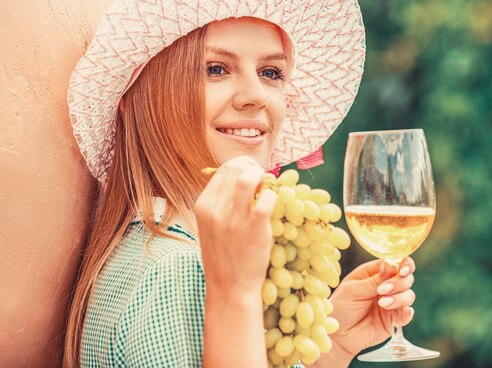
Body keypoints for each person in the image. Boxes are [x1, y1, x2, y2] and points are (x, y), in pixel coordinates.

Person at [64, 1, 417, 367]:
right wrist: (235, 294)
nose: (256, 95)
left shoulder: (160, 251)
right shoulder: (182, 272)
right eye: (216, 69)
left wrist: (336, 347)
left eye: (271, 72)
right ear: (137, 97)